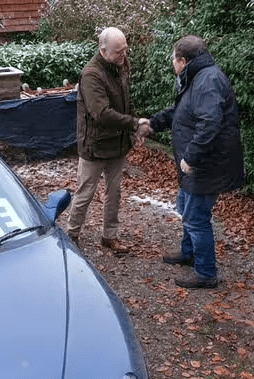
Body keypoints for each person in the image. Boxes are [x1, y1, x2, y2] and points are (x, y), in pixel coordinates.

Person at [148, 35, 244, 288]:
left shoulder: (208, 80)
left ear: (182, 61)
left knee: (196, 217)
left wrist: (191, 157)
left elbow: (209, 122)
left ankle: (206, 273)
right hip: (199, 164)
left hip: (206, 165)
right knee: (185, 207)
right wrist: (153, 123)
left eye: (172, 60)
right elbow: (183, 111)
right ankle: (188, 253)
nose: (172, 65)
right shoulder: (197, 77)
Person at [66, 27, 151, 255]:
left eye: (125, 49)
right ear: (103, 51)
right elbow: (101, 113)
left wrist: (133, 132)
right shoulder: (91, 75)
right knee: (85, 192)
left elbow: (125, 98)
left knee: (114, 192)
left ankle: (109, 236)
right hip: (94, 144)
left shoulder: (122, 64)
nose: (124, 55)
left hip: (118, 144)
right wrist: (134, 123)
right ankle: (71, 234)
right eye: (118, 51)